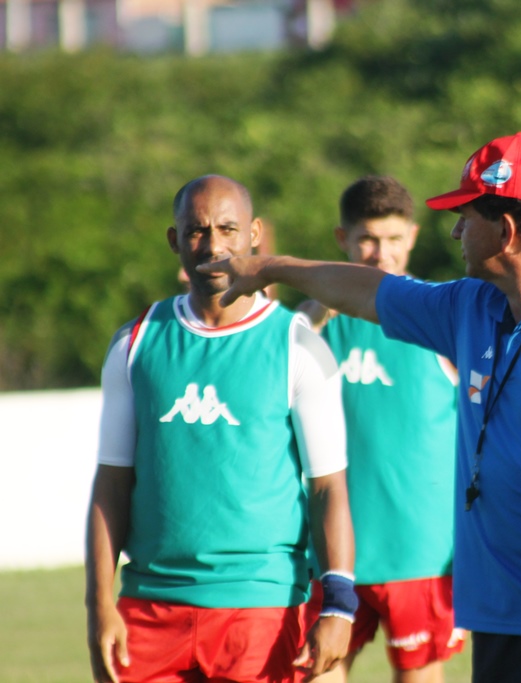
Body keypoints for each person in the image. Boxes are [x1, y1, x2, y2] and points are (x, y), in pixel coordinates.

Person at [199, 132, 521, 683]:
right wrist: (269, 268)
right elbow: (363, 290)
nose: (454, 230)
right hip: (500, 626)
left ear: (504, 230)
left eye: (464, 215)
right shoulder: (468, 307)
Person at [85, 174, 357, 683]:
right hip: (147, 609)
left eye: (228, 229)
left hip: (260, 610)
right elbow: (111, 485)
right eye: (196, 230)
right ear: (174, 240)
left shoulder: (298, 345)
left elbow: (328, 489)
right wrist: (99, 605)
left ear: (253, 234)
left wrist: (338, 605)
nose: (213, 245)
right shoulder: (136, 343)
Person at [302, 175, 464, 682]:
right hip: (329, 555)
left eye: (393, 240)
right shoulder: (309, 329)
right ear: (342, 239)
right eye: (368, 240)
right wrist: (311, 311)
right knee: (313, 672)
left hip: (421, 552)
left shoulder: (442, 317)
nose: (380, 254)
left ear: (412, 237)